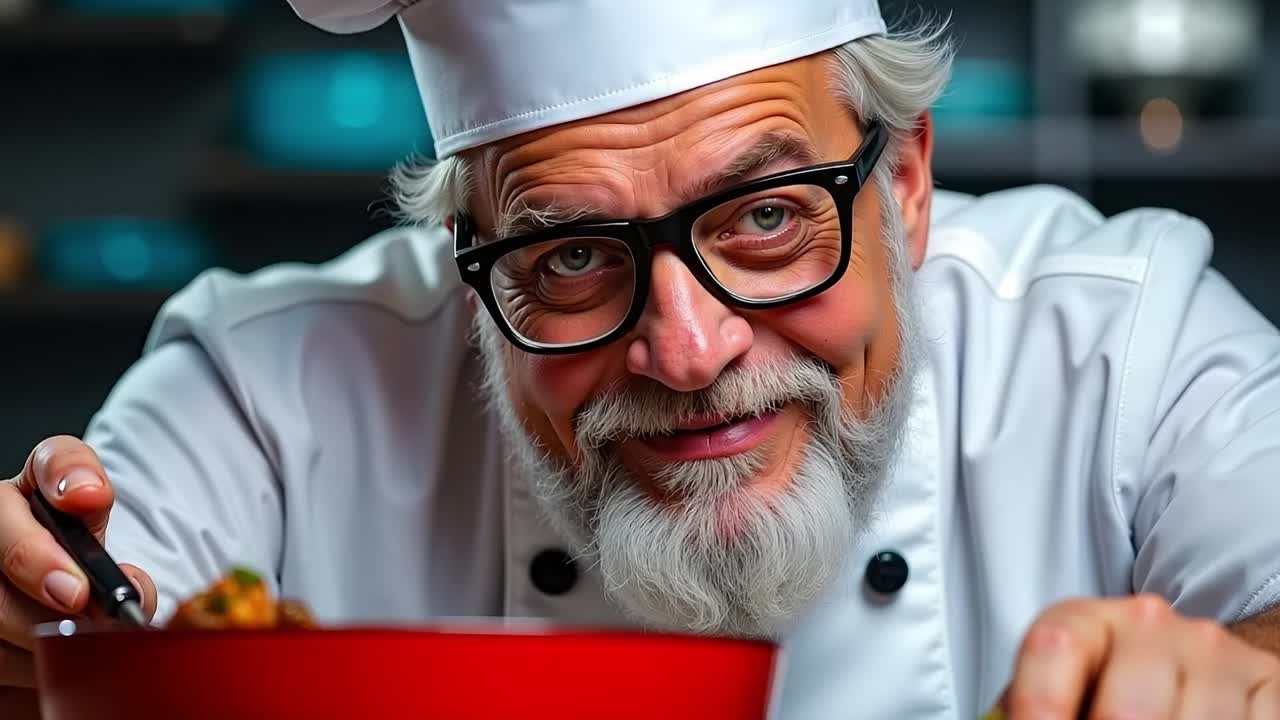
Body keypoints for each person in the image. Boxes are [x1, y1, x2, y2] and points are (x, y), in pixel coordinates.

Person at [5, 0, 1280, 717]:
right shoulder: (261, 393)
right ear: (467, 253)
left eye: (766, 219)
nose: (685, 349)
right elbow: (86, 620)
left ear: (903, 183)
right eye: (570, 255)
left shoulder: (1122, 342)